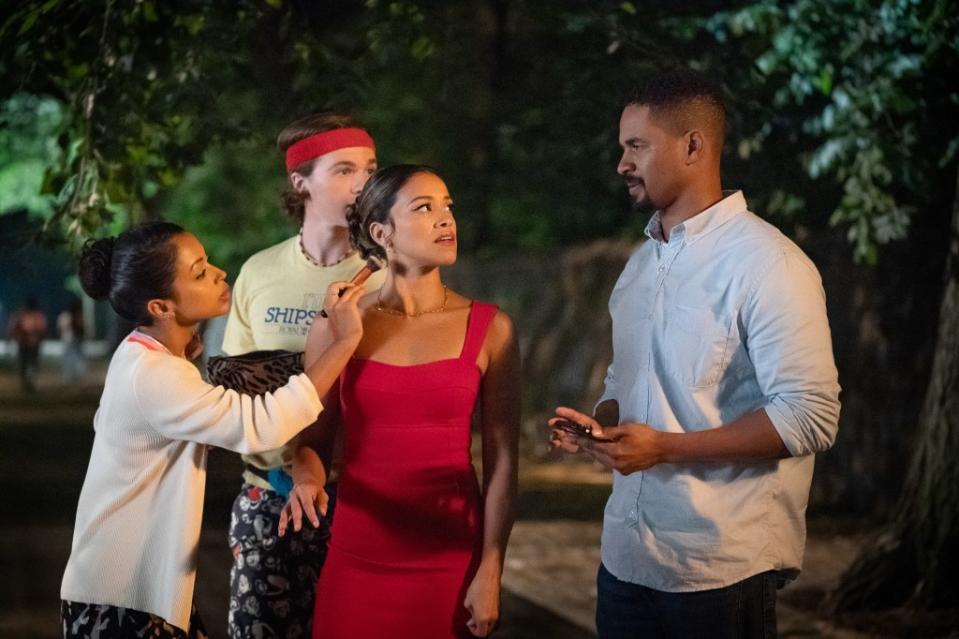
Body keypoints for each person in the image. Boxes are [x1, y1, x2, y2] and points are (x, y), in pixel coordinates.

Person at [549, 69, 841, 638]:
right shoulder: (639, 267)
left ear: (692, 146)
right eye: (621, 148)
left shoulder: (769, 264)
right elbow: (626, 379)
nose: (622, 164)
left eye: (636, 146)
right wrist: (601, 426)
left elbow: (810, 416)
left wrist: (664, 449)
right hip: (625, 563)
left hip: (718, 571)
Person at [60, 221, 365, 638]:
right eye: (199, 273)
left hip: (132, 588)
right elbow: (262, 425)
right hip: (121, 596)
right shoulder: (154, 373)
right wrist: (344, 342)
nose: (220, 274)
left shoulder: (142, 355)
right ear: (160, 307)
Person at [279, 165, 521, 638]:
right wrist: (306, 480)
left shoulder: (492, 329)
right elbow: (311, 440)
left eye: (448, 205)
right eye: (424, 208)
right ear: (381, 232)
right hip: (356, 556)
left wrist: (490, 568)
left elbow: (504, 462)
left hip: (449, 558)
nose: (446, 219)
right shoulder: (337, 323)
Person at [219, 113, 387, 638]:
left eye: (370, 169)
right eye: (343, 170)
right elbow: (237, 392)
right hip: (266, 496)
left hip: (358, 499)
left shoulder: (390, 274)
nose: (363, 184)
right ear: (301, 182)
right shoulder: (259, 272)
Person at [7, 296, 47, 393]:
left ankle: (29, 384)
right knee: (26, 365)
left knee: (28, 365)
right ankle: (27, 384)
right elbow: (13, 329)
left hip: (30, 344)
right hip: (26, 344)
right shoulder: (28, 316)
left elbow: (42, 330)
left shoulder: (33, 316)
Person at [57, 296, 86, 383]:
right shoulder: (71, 316)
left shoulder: (65, 316)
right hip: (71, 340)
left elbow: (60, 329)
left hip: (70, 340)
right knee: (75, 358)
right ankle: (74, 377)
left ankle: (72, 377)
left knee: (71, 358)